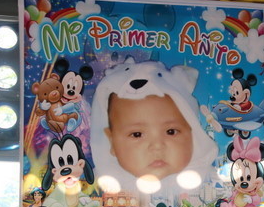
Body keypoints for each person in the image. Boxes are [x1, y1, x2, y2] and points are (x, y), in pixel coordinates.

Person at [90, 57, 218, 193]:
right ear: (112, 142)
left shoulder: (210, 181)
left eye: (171, 131)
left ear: (193, 133)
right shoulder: (103, 184)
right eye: (137, 134)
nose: (157, 146)